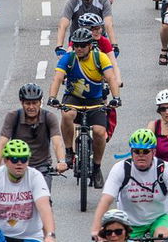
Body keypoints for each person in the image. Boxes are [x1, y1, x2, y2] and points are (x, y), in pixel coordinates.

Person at [48, 27, 121, 171]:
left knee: (100, 132)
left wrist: (116, 97)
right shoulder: (68, 58)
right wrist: (52, 97)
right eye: (76, 45)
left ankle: (97, 166)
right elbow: (57, 78)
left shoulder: (100, 57)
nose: (79, 48)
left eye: (82, 45)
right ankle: (69, 151)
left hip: (95, 99)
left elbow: (111, 78)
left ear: (90, 45)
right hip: (73, 97)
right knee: (67, 114)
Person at [0, 83, 66, 176]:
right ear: (21, 103)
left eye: (34, 103)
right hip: (18, 166)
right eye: (27, 103)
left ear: (40, 102)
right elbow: (2, 142)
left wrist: (61, 161)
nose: (31, 107)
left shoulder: (49, 117)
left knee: (42, 190)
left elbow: (57, 143)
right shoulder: (13, 117)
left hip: (42, 167)